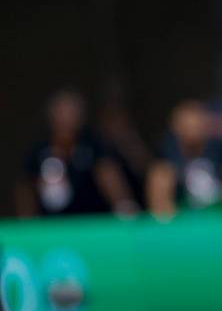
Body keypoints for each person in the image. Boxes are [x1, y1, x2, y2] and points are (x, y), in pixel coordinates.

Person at [15, 89, 137, 217]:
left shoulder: (93, 146)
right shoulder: (39, 152)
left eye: (72, 113)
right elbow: (25, 187)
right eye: (62, 113)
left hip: (90, 218)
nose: (67, 119)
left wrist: (124, 205)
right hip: (50, 223)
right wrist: (27, 220)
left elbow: (109, 174)